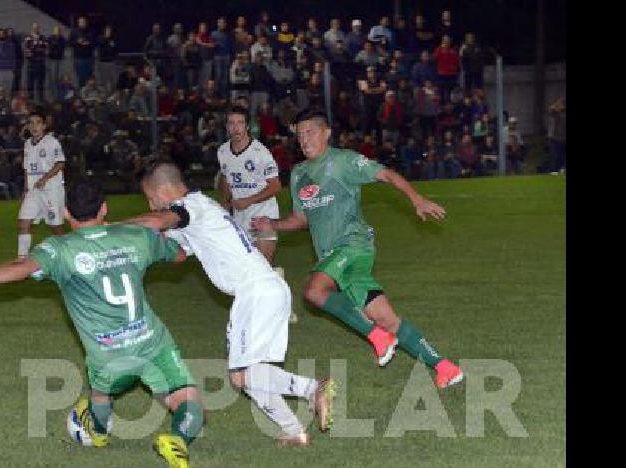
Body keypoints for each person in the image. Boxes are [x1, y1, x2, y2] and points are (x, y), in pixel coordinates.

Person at [0, 182, 203, 468]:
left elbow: (22, 266)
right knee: (188, 400)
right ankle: (178, 439)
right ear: (104, 208)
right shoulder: (136, 236)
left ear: (67, 213)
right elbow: (179, 256)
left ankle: (97, 431)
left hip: (107, 353)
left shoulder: (60, 250)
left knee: (101, 394)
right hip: (150, 341)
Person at [251, 108, 464, 388]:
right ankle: (446, 368)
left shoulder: (343, 162)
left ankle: (377, 337)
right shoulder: (300, 174)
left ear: (326, 133)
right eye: (300, 135)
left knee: (314, 291)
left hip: (353, 245)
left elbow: (387, 174)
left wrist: (417, 199)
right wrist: (273, 224)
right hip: (340, 261)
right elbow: (301, 219)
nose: (304, 140)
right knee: (388, 320)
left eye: (310, 132)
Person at [123, 164, 334, 446]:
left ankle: (312, 388)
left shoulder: (190, 206)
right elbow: (178, 251)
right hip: (263, 290)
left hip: (255, 291)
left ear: (163, 190)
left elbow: (161, 222)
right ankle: (294, 430)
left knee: (243, 374)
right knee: (245, 374)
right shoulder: (197, 211)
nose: (151, 204)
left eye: (151, 198)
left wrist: (110, 227)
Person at [214, 106, 298, 323]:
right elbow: (225, 178)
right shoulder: (223, 151)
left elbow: (276, 185)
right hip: (240, 218)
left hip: (264, 215)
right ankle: (266, 302)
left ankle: (281, 311)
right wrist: (226, 203)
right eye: (231, 123)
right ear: (226, 127)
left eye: (240, 123)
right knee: (251, 269)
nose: (236, 128)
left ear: (247, 125)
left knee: (261, 265)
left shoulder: (260, 153)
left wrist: (248, 201)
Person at [17, 110, 68, 257]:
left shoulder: (52, 142)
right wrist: (26, 190)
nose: (34, 126)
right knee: (23, 223)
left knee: (56, 227)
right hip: (33, 191)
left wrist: (45, 178)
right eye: (31, 123)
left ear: (44, 126)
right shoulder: (27, 144)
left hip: (51, 190)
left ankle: (66, 254)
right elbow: (26, 168)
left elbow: (60, 163)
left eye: (38, 123)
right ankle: (22, 259)